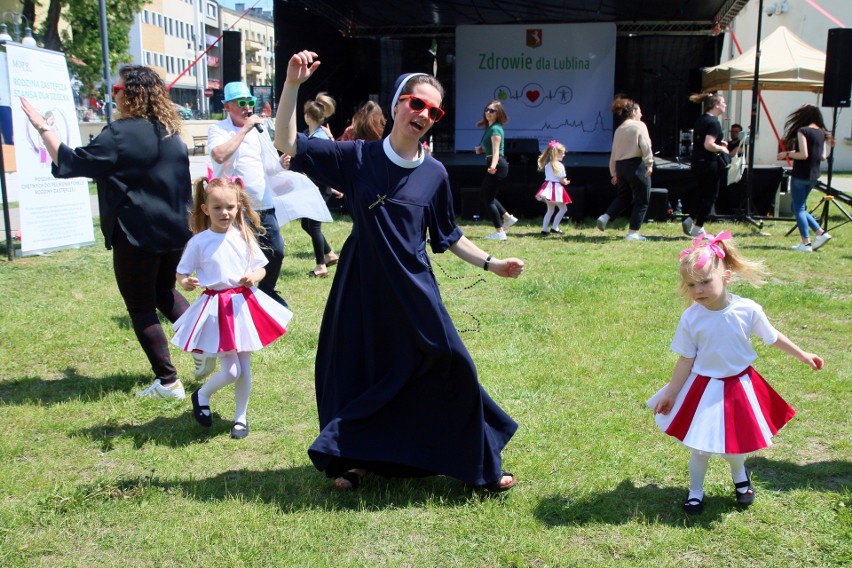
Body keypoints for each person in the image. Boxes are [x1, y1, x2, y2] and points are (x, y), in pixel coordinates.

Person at [275, 49, 524, 492]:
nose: (424, 113)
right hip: (361, 285)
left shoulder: (435, 174)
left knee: (451, 364)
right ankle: (354, 460)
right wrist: (293, 85)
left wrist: (493, 262)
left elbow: (447, 235)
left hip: (414, 286)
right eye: (416, 103)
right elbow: (287, 143)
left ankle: (479, 465)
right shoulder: (357, 157)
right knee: (359, 370)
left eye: (434, 109)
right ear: (397, 106)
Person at [21, 65, 201, 400]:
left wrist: (43, 127)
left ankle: (168, 382)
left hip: (137, 235)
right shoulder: (170, 133)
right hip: (176, 232)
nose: (113, 96)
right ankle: (205, 349)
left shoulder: (119, 134)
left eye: (116, 91)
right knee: (164, 293)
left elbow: (72, 161)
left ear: (129, 94)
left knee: (141, 304)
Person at [647, 231, 823, 514]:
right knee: (700, 448)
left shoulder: (747, 309)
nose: (698, 291)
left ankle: (740, 478)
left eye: (705, 282)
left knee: (735, 445)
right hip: (703, 389)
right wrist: (671, 393)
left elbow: (772, 336)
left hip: (739, 387)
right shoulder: (691, 317)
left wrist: (803, 354)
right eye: (691, 285)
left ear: (726, 276)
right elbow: (685, 360)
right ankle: (695, 491)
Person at [172, 176, 293, 439]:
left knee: (245, 367)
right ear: (205, 209)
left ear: (238, 207)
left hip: (243, 306)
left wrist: (255, 277)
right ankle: (202, 394)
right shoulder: (199, 242)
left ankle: (241, 418)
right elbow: (181, 273)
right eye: (217, 208)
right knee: (232, 369)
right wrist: (186, 282)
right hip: (218, 309)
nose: (224, 213)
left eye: (229, 207)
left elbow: (261, 267)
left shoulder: (243, 236)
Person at [208, 82, 290, 307]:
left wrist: (281, 164)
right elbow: (219, 155)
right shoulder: (219, 130)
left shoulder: (259, 132)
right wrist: (244, 129)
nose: (247, 107)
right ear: (227, 107)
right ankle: (236, 298)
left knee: (276, 251)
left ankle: (266, 292)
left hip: (263, 204)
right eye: (242, 103)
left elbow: (269, 166)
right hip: (233, 207)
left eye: (250, 102)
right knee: (236, 255)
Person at [596, 96, 654, 241]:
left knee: (624, 197)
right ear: (634, 111)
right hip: (636, 165)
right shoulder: (639, 125)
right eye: (639, 111)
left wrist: (613, 172)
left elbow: (614, 153)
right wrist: (649, 163)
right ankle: (633, 232)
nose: (641, 114)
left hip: (621, 167)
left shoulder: (619, 129)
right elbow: (645, 146)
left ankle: (605, 217)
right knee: (642, 199)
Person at [776, 105, 832, 252]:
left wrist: (786, 154)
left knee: (799, 208)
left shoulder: (803, 131)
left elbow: (804, 155)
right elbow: (823, 156)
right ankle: (820, 233)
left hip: (800, 174)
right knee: (795, 207)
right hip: (814, 175)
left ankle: (806, 243)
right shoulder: (821, 132)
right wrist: (796, 152)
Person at [301, 92, 341, 277]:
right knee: (306, 224)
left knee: (313, 226)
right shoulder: (313, 135)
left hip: (319, 188)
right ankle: (329, 254)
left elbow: (328, 165)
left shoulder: (318, 138)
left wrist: (332, 187)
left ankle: (321, 266)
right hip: (315, 187)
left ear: (307, 116)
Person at [681, 93, 729, 238]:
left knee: (701, 193)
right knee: (711, 195)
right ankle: (698, 226)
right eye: (723, 102)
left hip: (697, 161)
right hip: (708, 163)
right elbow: (708, 145)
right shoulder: (714, 122)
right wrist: (721, 148)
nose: (725, 105)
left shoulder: (702, 119)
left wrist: (718, 144)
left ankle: (690, 220)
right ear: (716, 105)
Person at [475, 100, 518, 241]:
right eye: (487, 109)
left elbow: (496, 152)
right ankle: (507, 217)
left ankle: (500, 232)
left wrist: (493, 167)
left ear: (498, 113)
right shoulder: (491, 128)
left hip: (497, 165)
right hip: (496, 164)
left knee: (487, 199)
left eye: (492, 110)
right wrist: (482, 149)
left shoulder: (495, 129)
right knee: (485, 195)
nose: (488, 112)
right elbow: (492, 149)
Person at [534, 140, 571, 235]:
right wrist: (566, 182)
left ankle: (544, 229)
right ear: (557, 153)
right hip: (556, 189)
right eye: (562, 153)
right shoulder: (560, 165)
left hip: (547, 189)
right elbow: (562, 180)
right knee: (563, 209)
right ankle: (555, 227)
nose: (564, 155)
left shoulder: (547, 165)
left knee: (550, 210)